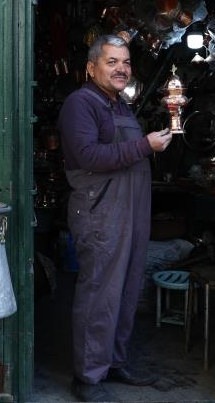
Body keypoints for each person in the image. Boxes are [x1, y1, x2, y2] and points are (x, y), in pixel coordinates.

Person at [57, 34, 173, 402]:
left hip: (131, 209)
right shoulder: (80, 104)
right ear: (91, 68)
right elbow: (89, 156)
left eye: (125, 62)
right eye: (112, 62)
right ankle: (87, 376)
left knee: (126, 289)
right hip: (101, 211)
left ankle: (114, 361)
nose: (121, 68)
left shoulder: (120, 105)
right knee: (99, 292)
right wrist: (145, 145)